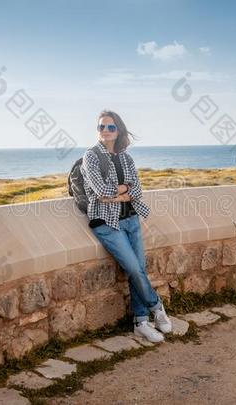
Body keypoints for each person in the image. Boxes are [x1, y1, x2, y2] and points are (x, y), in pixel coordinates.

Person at [80, 110, 172, 343]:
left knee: (138, 270)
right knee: (133, 268)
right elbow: (100, 192)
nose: (106, 131)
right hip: (106, 224)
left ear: (118, 130)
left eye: (111, 127)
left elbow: (138, 191)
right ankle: (156, 305)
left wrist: (117, 193)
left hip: (131, 219)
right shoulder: (91, 157)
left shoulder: (126, 158)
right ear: (97, 130)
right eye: (101, 127)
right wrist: (124, 190)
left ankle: (141, 323)